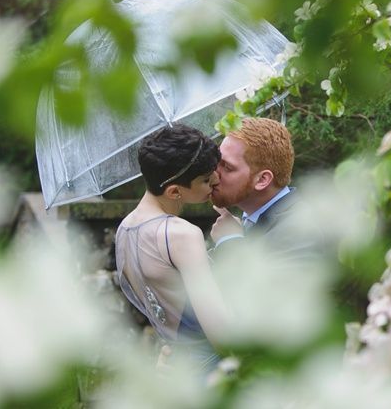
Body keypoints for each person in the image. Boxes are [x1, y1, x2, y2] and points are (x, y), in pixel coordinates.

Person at [115, 125, 230, 372]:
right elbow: (222, 334)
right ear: (174, 191)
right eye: (206, 179)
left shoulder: (124, 230)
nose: (216, 180)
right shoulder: (182, 235)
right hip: (211, 369)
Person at [208, 117, 312, 263]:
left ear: (262, 180)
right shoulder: (248, 220)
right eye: (217, 161)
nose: (213, 174)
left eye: (227, 167)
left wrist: (230, 242)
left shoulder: (301, 229)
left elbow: (268, 286)